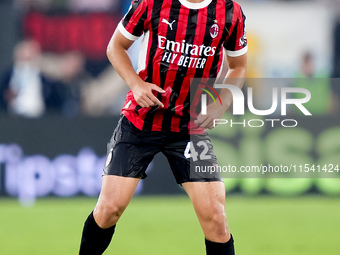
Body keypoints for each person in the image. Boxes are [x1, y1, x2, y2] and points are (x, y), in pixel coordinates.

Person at [79, 0, 247, 254]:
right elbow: (116, 46)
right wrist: (136, 84)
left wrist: (221, 103)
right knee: (109, 210)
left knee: (216, 219)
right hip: (141, 120)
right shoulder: (153, 3)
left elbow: (239, 66)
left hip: (190, 127)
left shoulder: (230, 11)